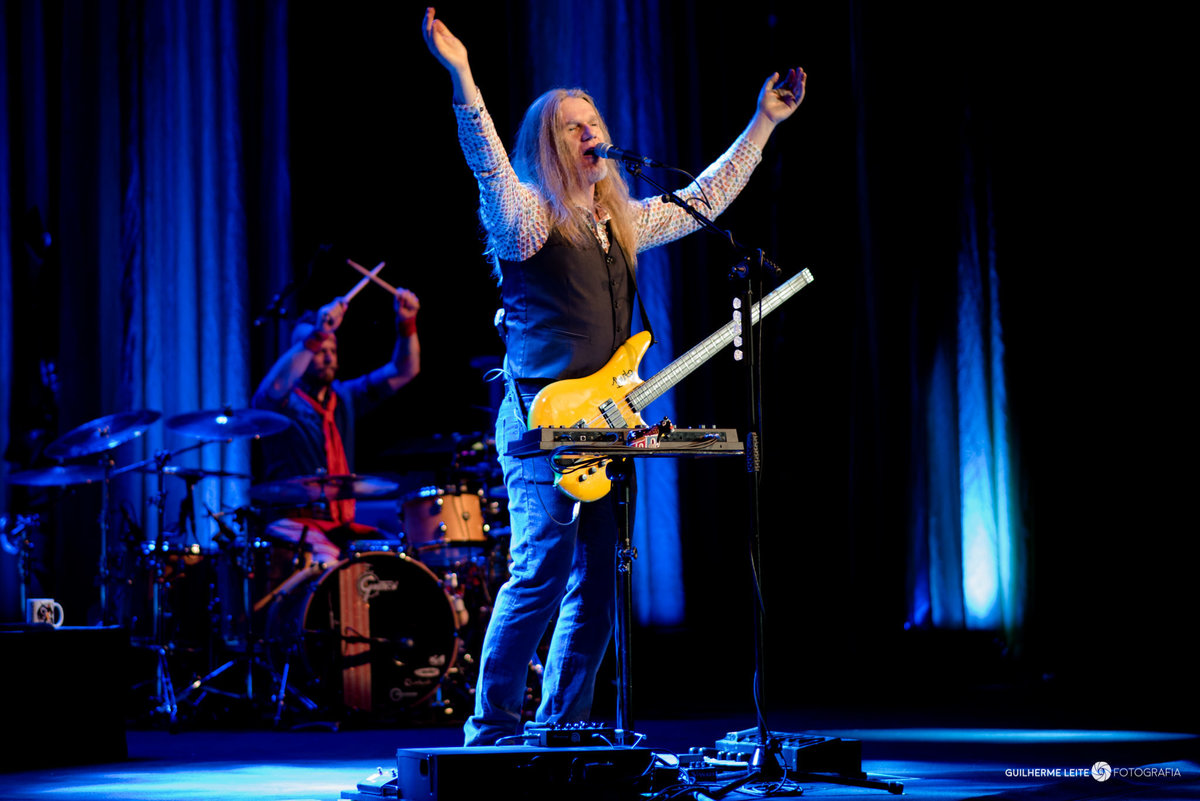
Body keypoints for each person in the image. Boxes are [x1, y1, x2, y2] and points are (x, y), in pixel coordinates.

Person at [422, 6, 805, 746]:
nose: (589, 132)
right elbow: (487, 163)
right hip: (539, 422)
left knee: (599, 583)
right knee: (541, 571)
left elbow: (705, 199)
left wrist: (764, 122)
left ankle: (559, 730)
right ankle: (490, 730)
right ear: (550, 145)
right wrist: (463, 74)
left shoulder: (622, 223)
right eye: (573, 126)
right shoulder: (528, 219)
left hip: (605, 422)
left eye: (593, 121)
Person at [250, 288, 420, 564]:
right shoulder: (282, 404)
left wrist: (406, 323)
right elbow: (274, 387)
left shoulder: (344, 397)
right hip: (293, 524)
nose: (328, 357)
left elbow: (404, 370)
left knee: (394, 558)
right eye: (319, 350)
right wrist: (317, 333)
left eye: (332, 349)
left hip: (339, 526)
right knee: (329, 562)